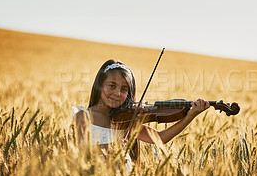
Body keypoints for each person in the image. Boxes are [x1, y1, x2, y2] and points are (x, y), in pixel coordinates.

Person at [72, 59, 210, 158]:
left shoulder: (126, 121)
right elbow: (80, 150)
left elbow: (160, 138)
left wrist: (190, 116)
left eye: (124, 89)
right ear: (99, 85)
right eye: (112, 86)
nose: (118, 93)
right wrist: (110, 147)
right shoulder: (83, 116)